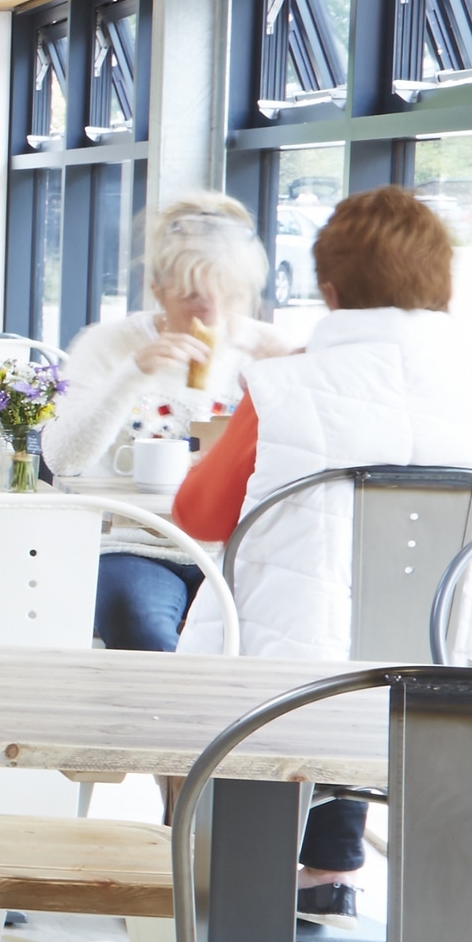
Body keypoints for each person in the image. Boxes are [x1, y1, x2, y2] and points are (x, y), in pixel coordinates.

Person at [172, 186, 472, 917]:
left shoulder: (287, 386)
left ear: (331, 292)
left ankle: (246, 912)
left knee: (282, 642)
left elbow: (198, 514)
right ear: (444, 288)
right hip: (466, 690)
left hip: (290, 698)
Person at [46, 194, 282, 650]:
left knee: (268, 640)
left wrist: (292, 379)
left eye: (227, 295)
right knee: (140, 624)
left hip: (236, 552)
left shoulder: (268, 351)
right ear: (156, 289)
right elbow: (62, 459)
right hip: (135, 545)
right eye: (192, 295)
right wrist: (133, 374)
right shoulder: (110, 345)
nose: (210, 312)